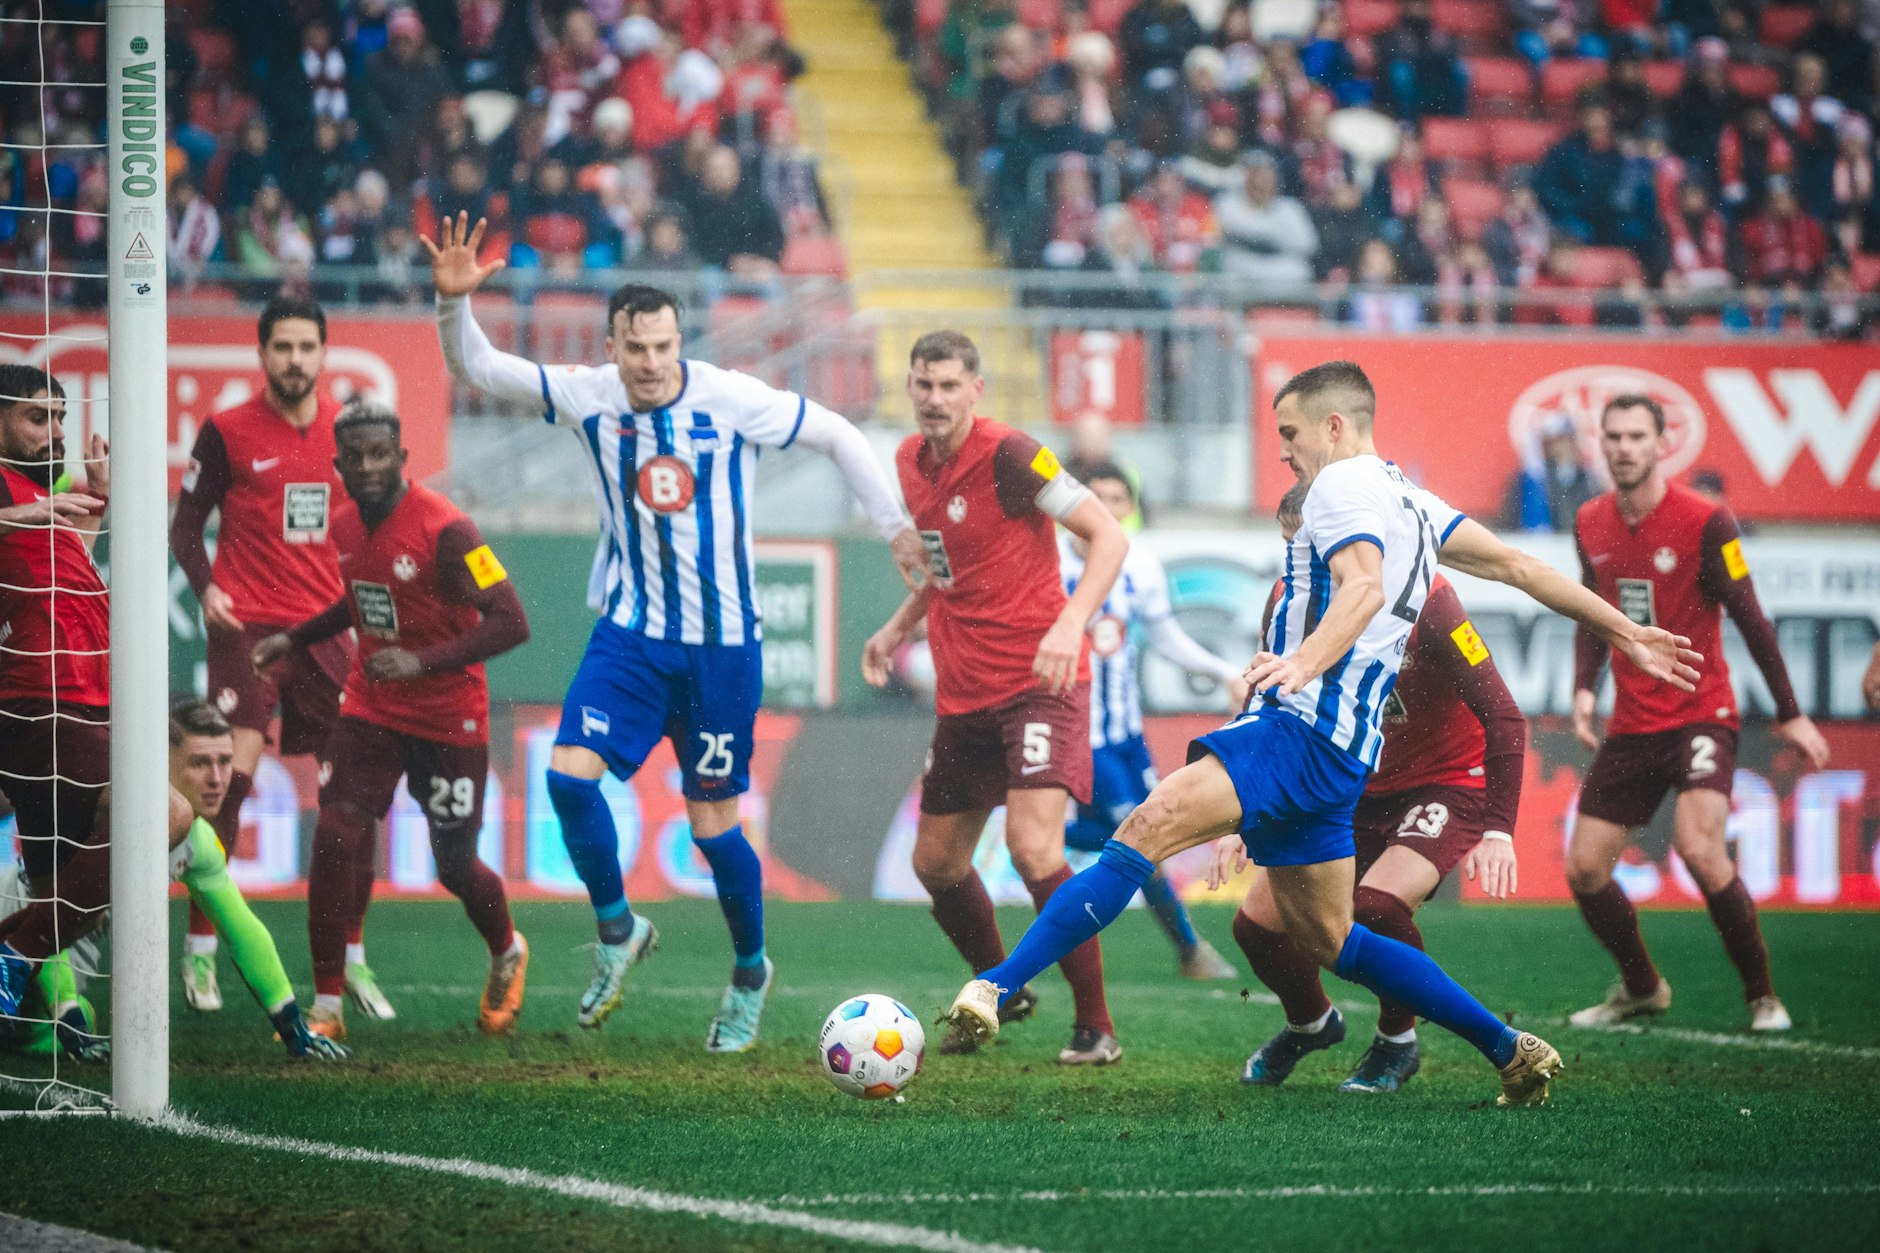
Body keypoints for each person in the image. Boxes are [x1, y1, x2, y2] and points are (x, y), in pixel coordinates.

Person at [944, 360, 1703, 1107]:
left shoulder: (1340, 485)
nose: (1284, 451)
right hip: (1344, 754)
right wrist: (1624, 629)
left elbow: (1363, 586)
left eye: (1290, 432)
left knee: (1144, 830)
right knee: (1335, 939)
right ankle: (1508, 1048)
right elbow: (1519, 566)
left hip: (1299, 729)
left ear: (1334, 426)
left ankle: (996, 985)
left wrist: (1302, 665)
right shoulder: (1411, 501)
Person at [425, 212, 922, 1050]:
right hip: (631, 634)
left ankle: (750, 970)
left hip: (722, 647)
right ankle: (618, 930)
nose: (651, 362)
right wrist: (452, 303)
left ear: (679, 342)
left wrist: (895, 526)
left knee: (713, 825)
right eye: (635, 348)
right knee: (569, 780)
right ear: (612, 347)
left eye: (662, 346)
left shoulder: (729, 399)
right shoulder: (588, 394)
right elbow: (478, 364)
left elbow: (838, 433)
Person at [863, 331, 1129, 1065]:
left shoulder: (1012, 455)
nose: (936, 398)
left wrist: (1070, 624)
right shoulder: (909, 463)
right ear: (909, 388)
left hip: (1041, 683)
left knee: (1034, 847)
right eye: (924, 385)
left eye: (950, 385)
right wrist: (898, 625)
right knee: (936, 863)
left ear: (975, 390)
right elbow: (946, 568)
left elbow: (1108, 537)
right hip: (964, 694)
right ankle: (1001, 990)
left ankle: (1096, 1025)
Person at [1220, 482, 1525, 1095]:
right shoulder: (1288, 596)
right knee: (1255, 926)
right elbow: (1267, 702)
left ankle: (1396, 1041)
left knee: (1376, 908)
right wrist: (1244, 813)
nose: (1300, 566)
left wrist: (1499, 829)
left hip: (1443, 784)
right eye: (1290, 550)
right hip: (1346, 780)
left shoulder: (1431, 602)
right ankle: (1311, 1022)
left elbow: (1504, 715)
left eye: (1311, 549)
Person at [252, 402, 531, 1042]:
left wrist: (421, 661)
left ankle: (507, 951)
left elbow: (513, 622)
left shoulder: (449, 529)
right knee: (336, 832)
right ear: (339, 466)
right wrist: (296, 637)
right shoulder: (345, 525)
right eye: (356, 457)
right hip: (372, 705)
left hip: (449, 717)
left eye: (381, 454)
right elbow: (360, 601)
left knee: (454, 865)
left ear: (403, 458)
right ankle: (326, 1009)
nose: (369, 466)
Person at [1566, 394, 1830, 1034]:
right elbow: (1592, 611)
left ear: (1661, 444)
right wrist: (1583, 690)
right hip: (1633, 722)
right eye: (1614, 436)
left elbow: (1751, 617)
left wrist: (1790, 713)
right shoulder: (1590, 521)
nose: (1624, 448)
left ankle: (1763, 997)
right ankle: (1642, 989)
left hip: (1700, 712)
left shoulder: (1707, 520)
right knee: (1585, 868)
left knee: (1700, 850)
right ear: (1602, 444)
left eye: (1637, 436)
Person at [169, 296, 391, 1022]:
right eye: (282, 347)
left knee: (351, 798)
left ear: (324, 352)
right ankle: (201, 948)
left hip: (326, 630)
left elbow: (380, 526)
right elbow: (185, 526)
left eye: (306, 347)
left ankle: (352, 958)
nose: (295, 360)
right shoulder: (228, 429)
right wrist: (207, 590)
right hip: (248, 628)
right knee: (226, 783)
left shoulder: (350, 433)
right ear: (262, 353)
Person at [0, 366, 195, 1016]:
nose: (56, 431)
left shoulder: (39, 499)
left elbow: (52, 575)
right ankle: (13, 958)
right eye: (37, 417)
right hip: (42, 704)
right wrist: (21, 512)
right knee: (166, 815)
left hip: (78, 705)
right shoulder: (13, 494)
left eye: (60, 417)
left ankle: (18, 966)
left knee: (61, 899)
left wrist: (99, 501)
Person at [1061, 464, 1247, 981]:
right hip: (1079, 734)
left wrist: (1222, 671)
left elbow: (1165, 638)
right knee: (1142, 835)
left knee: (1138, 832)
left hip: (1126, 735)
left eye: (1118, 499)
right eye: (1096, 497)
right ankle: (1190, 951)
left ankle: (1048, 833)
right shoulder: (1051, 563)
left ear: (1130, 508)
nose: (1107, 508)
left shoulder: (1139, 564)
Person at [166, 698, 348, 1060]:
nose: (217, 779)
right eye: (199, 763)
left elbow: (242, 930)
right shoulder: (110, 825)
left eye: (224, 762)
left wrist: (294, 1028)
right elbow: (53, 913)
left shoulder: (200, 842)